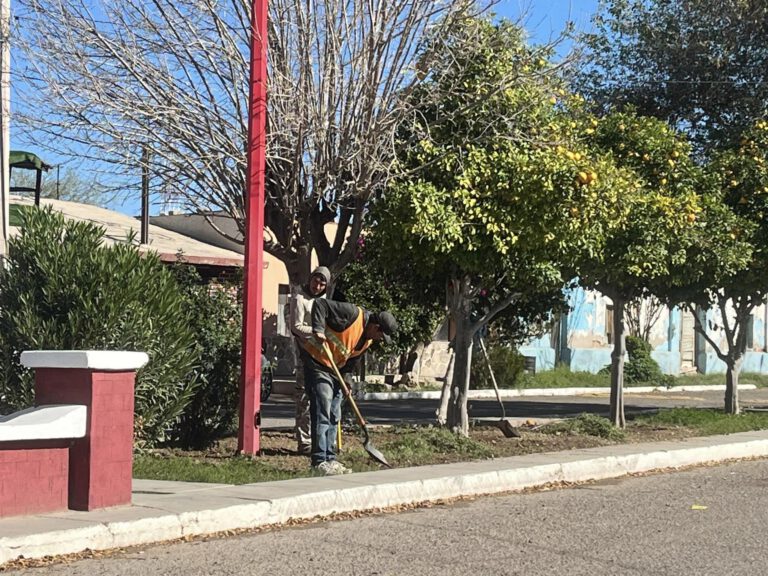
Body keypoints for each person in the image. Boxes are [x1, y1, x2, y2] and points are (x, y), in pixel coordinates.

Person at [301, 299, 397, 475]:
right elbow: (320, 304)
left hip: (335, 370)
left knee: (334, 414)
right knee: (323, 408)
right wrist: (319, 329)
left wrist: (347, 381)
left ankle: (330, 459)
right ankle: (319, 460)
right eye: (381, 336)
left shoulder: (367, 341)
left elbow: (352, 360)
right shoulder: (352, 314)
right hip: (317, 362)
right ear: (375, 327)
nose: (379, 340)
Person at [289, 266, 330, 455]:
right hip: (304, 353)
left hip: (320, 355)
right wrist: (316, 333)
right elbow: (296, 326)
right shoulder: (299, 298)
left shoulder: (323, 301)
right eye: (316, 280)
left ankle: (319, 440)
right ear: (311, 278)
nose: (318, 285)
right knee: (303, 398)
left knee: (320, 397)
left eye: (322, 283)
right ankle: (304, 442)